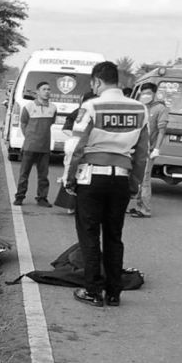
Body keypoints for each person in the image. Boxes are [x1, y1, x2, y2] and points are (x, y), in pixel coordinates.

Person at [62, 61, 149, 307]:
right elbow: (142, 153)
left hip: (91, 177)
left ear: (97, 82)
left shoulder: (91, 106)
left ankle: (92, 290)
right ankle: (113, 293)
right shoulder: (140, 109)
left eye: (94, 84)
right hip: (121, 178)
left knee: (89, 235)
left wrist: (69, 180)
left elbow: (75, 147)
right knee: (114, 236)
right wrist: (134, 185)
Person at [13, 82, 59, 206]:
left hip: (44, 147)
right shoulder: (28, 107)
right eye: (44, 89)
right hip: (30, 146)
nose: (47, 91)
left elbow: (51, 123)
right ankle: (20, 197)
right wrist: (29, 137)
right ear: (37, 92)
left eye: (49, 89)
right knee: (24, 174)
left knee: (43, 175)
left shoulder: (53, 108)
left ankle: (42, 198)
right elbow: (23, 123)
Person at [130, 82, 168, 218]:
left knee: (145, 179)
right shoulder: (140, 106)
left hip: (149, 149)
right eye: (143, 93)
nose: (145, 96)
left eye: (148, 93)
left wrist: (157, 148)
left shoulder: (160, 108)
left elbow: (162, 131)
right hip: (137, 148)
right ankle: (138, 205)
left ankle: (145, 209)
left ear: (154, 93)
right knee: (137, 177)